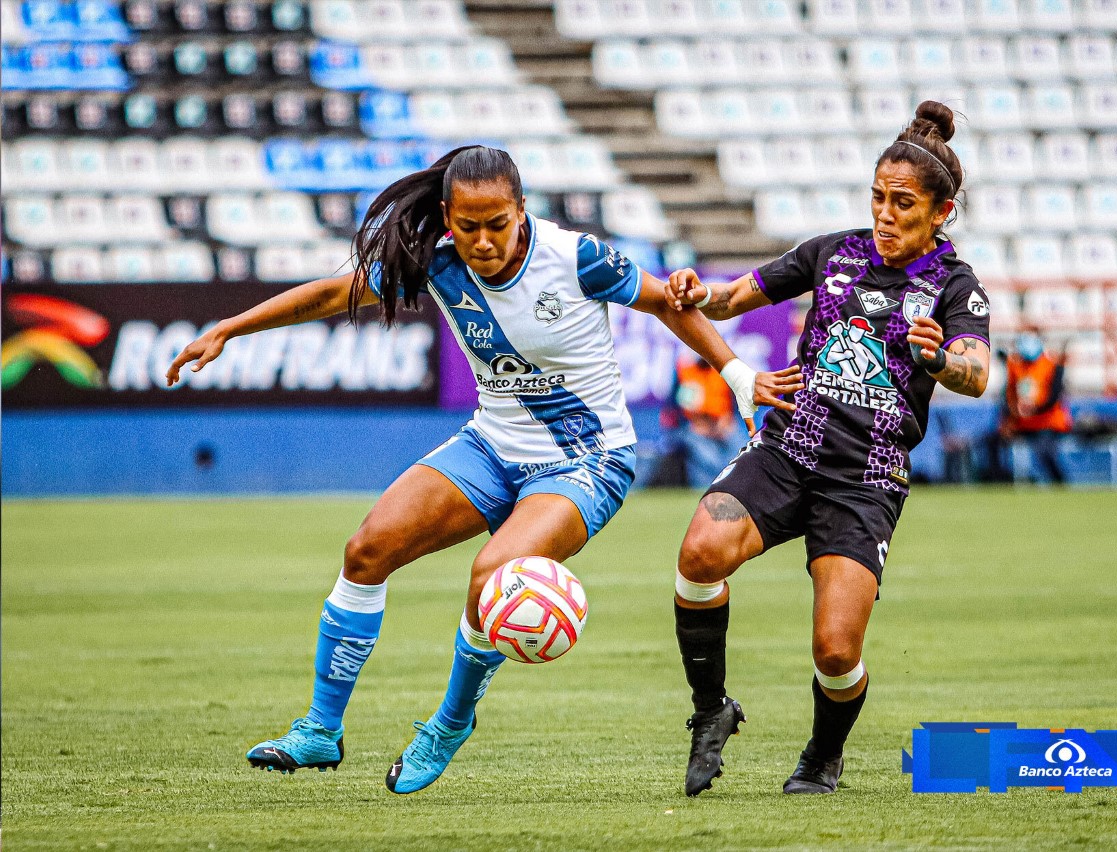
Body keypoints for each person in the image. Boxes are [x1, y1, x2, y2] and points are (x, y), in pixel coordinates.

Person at [165, 146, 803, 794]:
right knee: (366, 550)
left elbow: (667, 302)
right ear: (447, 217)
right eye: (467, 226)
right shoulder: (437, 262)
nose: (483, 240)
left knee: (492, 574)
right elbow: (336, 292)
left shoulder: (576, 257)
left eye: (497, 223)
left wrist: (736, 371)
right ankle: (319, 731)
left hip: (587, 460)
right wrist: (230, 329)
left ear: (521, 211)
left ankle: (448, 723)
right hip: (492, 446)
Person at [663, 102, 992, 796]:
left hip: (865, 480)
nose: (884, 214)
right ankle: (710, 709)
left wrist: (940, 361)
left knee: (836, 652)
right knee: (699, 552)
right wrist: (694, 291)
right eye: (877, 197)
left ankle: (822, 755)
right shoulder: (831, 253)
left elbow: (976, 369)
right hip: (789, 450)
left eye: (903, 203)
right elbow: (730, 298)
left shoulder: (954, 287)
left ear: (942, 212)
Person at [999, 328, 1071, 483]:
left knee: (1044, 451)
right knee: (993, 442)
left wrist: (1034, 409)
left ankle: (1060, 484)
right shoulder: (1015, 365)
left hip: (1048, 423)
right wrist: (1012, 414)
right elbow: (1008, 395)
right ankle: (999, 481)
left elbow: (1053, 398)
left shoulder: (1052, 365)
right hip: (1023, 424)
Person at [671, 354, 744, 487]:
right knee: (709, 457)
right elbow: (676, 410)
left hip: (720, 425)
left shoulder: (722, 373)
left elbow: (733, 406)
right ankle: (710, 486)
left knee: (741, 447)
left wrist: (725, 422)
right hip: (694, 427)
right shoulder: (686, 372)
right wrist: (700, 426)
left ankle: (739, 483)